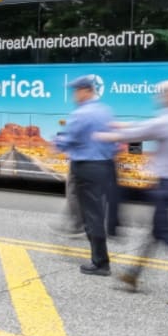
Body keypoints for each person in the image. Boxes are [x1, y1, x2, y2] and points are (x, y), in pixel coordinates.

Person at [95, 77, 168, 310]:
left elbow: (142, 131)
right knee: (156, 233)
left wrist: (106, 136)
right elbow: (148, 126)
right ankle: (133, 275)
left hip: (166, 187)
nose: (159, 96)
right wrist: (122, 126)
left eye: (163, 93)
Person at [54, 75, 116, 275]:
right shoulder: (105, 111)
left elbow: (68, 139)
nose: (75, 95)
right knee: (97, 211)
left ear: (86, 91)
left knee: (91, 216)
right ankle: (101, 259)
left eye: (76, 91)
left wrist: (56, 142)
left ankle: (100, 262)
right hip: (105, 166)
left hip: (86, 167)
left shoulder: (81, 114)